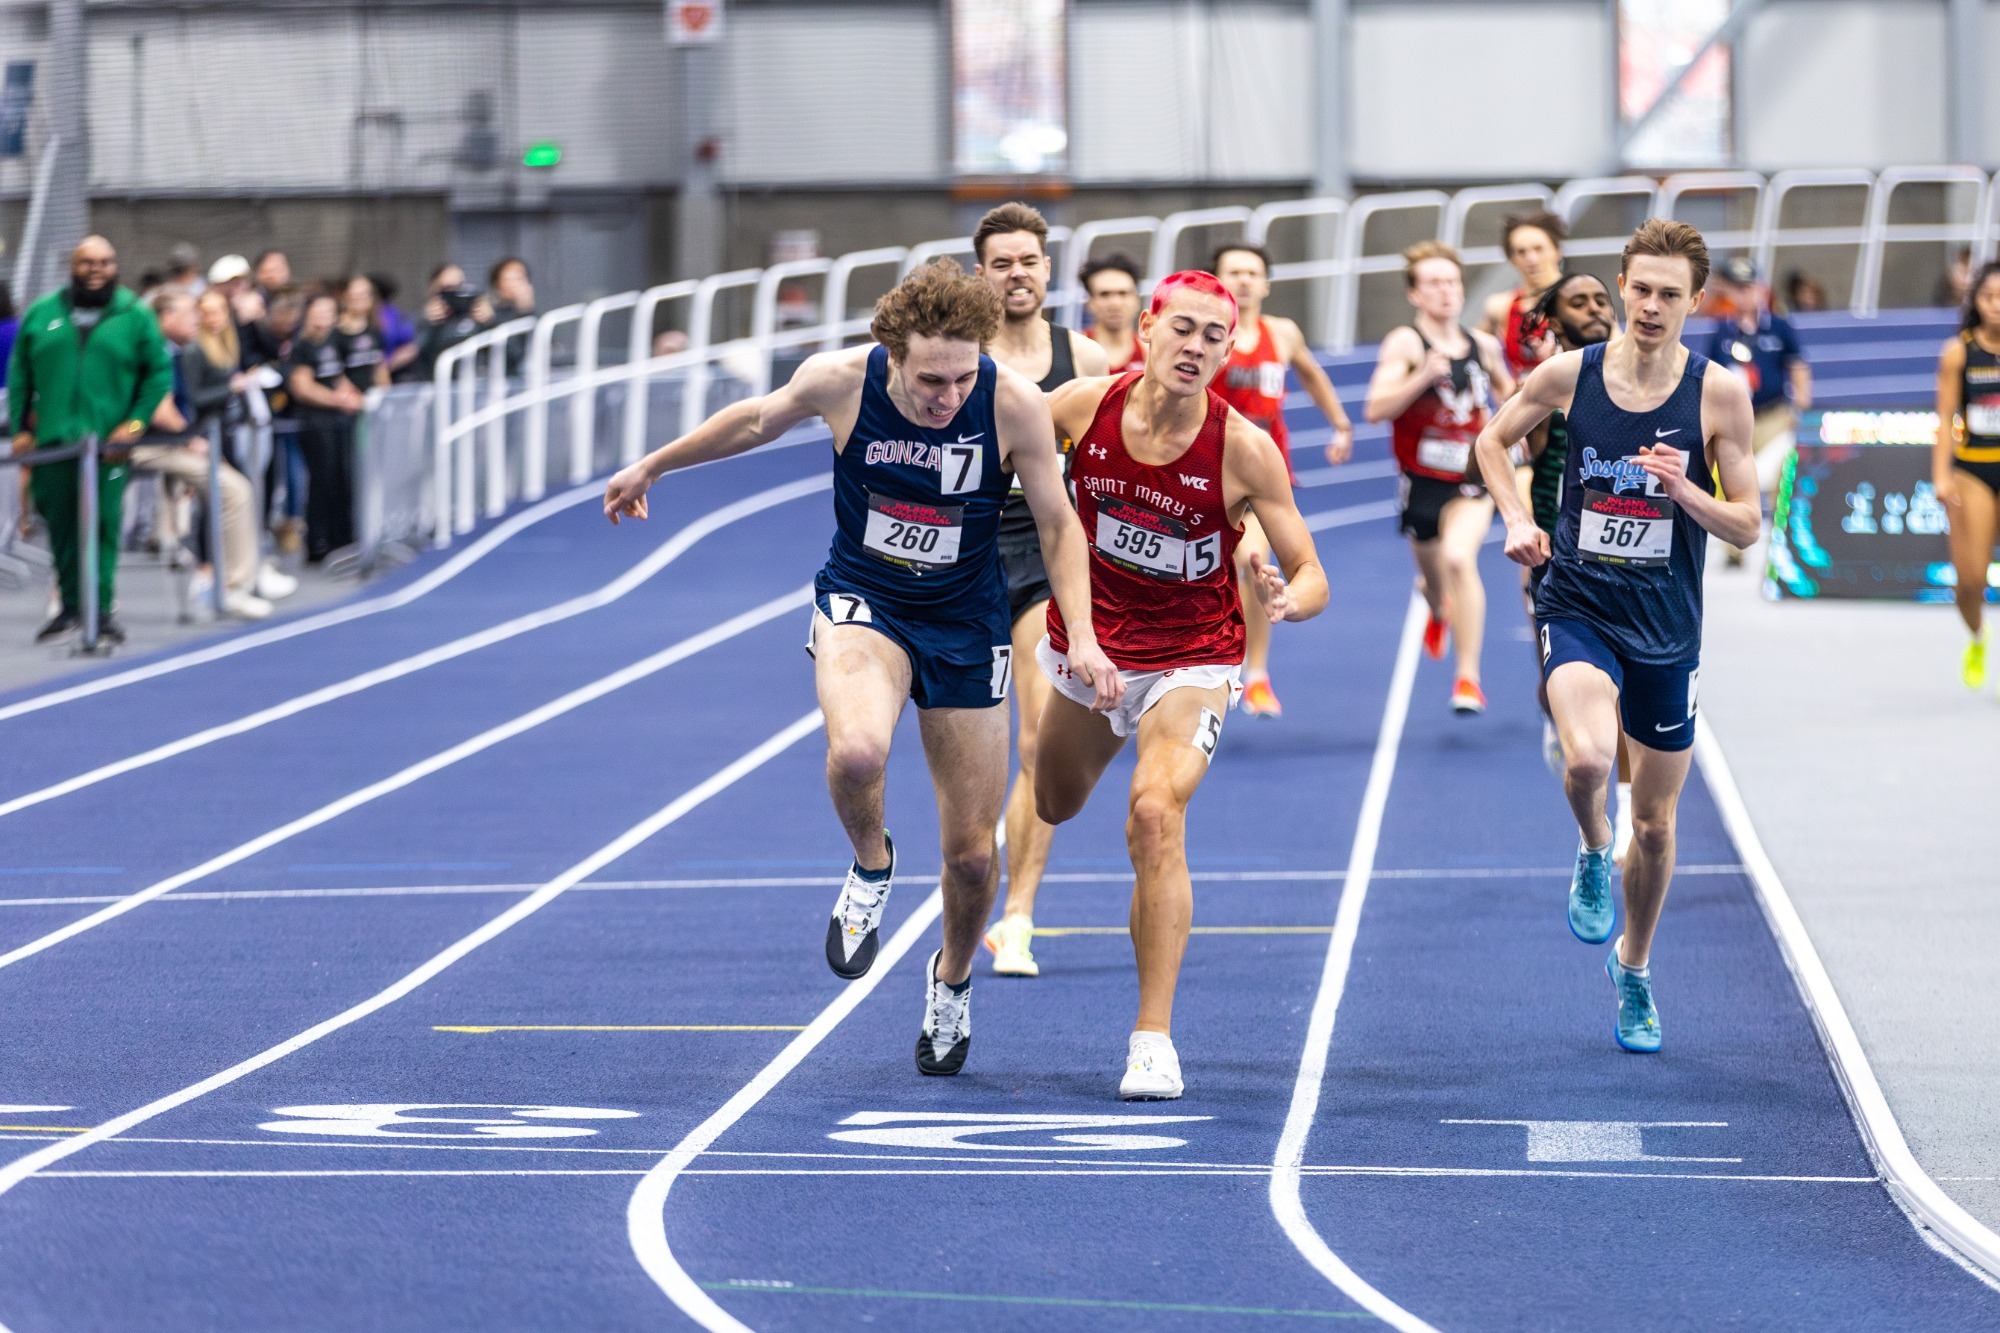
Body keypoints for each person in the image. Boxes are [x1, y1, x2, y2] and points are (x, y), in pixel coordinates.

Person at [603, 260, 1117, 1078]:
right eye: (928, 381)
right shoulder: (841, 380)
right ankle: (872, 863)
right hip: (866, 600)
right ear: (890, 353)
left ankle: (950, 980)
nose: (946, 397)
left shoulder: (1011, 401)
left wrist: (1080, 635)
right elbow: (754, 421)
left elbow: (1058, 525)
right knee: (857, 754)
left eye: (959, 377)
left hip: (965, 620)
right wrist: (656, 464)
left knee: (973, 855)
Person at [1034, 271, 1328, 1099]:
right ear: (1150, 327)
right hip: (1091, 650)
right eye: (1184, 329)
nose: (1196, 348)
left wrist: (1287, 600)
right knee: (1053, 801)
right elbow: (999, 449)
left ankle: (1152, 1037)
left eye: (1215, 337)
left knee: (1155, 814)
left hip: (1193, 657)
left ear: (1230, 349)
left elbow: (1311, 572)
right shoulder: (1082, 407)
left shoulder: (1242, 448)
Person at [1474, 219, 1760, 1054]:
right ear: (1623, 287)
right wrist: (1519, 518)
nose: (1651, 305)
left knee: (1662, 826)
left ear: (1695, 302)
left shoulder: (1718, 395)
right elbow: (1491, 441)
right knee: (1592, 760)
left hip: (1667, 630)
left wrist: (1687, 494)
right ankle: (1594, 847)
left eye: (1671, 294)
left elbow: (1746, 524)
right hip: (1579, 605)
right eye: (1640, 288)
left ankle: (1633, 966)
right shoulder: (1570, 373)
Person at [968, 201, 1109, 980]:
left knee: (1032, 739)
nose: (1016, 274)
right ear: (980, 273)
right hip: (960, 551)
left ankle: (1016, 915)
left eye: (1028, 261)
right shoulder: (960, 357)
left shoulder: (1081, 357)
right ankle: (969, 845)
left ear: (1047, 269)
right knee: (961, 741)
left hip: (1041, 553)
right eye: (1001, 263)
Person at [1510, 270, 1637, 859]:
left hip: (1627, 557)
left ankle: (1632, 812)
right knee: (1565, 683)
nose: (1593, 309)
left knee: (1627, 689)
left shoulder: (1642, 381)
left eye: (1599, 300)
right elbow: (1484, 454)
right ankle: (1557, 713)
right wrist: (1518, 515)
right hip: (1557, 559)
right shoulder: (1545, 384)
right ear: (1555, 322)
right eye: (1577, 303)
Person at [1365, 241, 1513, 715]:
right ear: (1415, 294)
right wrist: (1420, 378)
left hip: (1471, 476)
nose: (1445, 291)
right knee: (1433, 578)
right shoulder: (1406, 343)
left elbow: (1514, 401)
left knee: (1457, 558)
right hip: (1421, 481)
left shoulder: (1483, 345)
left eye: (1451, 281)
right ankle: (1434, 607)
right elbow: (1374, 409)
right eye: (1433, 283)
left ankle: (1467, 678)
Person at [1208, 241, 1355, 717]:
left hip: (1264, 480)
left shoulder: (1283, 333)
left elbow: (1312, 375)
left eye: (1254, 272)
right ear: (1216, 280)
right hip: (1207, 474)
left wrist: (1340, 423)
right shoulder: (1208, 334)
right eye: (1235, 272)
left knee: (1252, 562)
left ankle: (1254, 674)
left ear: (1267, 283)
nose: (1245, 280)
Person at [7, 236, 175, 645]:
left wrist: (134, 425)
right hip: (54, 444)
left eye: (104, 261)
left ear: (115, 266)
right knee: (61, 528)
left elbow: (158, 374)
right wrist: (21, 429)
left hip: (107, 448)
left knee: (103, 527)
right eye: (87, 262)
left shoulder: (134, 314)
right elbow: (19, 374)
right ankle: (69, 608)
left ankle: (101, 611)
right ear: (73, 265)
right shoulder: (42, 313)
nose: (95, 269)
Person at [1702, 256, 1810, 566]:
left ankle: (1781, 546)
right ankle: (1734, 550)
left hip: (1772, 414)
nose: (1744, 295)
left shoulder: (1779, 326)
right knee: (1730, 479)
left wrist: (1800, 404)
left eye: (1749, 287)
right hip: (1734, 419)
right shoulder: (1721, 332)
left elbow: (1798, 365)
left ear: (1761, 289)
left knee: (1781, 478)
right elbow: (1710, 374)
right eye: (1737, 288)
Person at [1933, 260, 2000, 690]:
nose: (1997, 306)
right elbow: (1944, 419)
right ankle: (1977, 635)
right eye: (1989, 297)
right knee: (1971, 579)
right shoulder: (1958, 352)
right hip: (1973, 468)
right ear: (1975, 301)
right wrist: (1941, 476)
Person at [285, 292, 364, 563]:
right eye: (319, 311)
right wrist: (337, 400)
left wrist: (354, 397)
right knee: (322, 480)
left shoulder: (332, 343)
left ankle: (343, 538)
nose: (324, 317)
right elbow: (302, 387)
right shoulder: (303, 346)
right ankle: (318, 541)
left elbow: (338, 377)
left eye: (330, 311)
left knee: (342, 479)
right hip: (316, 422)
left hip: (338, 422)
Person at [1479, 211, 1568, 380]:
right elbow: (1468, 347)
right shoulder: (1500, 307)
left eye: (1538, 249)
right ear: (1512, 259)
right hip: (1526, 400)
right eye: (1521, 252)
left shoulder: (1584, 300)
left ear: (1557, 251)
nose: (1532, 259)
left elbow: (1615, 351)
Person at [1080, 253, 1146, 373]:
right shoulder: (1073, 351)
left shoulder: (1150, 355)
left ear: (1137, 300)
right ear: (1089, 302)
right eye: (1105, 294)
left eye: (1123, 293)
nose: (1115, 303)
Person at [336, 275, 392, 394]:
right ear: (346, 297)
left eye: (366, 294)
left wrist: (387, 395)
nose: (362, 298)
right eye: (358, 294)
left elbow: (379, 368)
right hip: (347, 401)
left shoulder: (374, 328)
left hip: (372, 397)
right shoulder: (336, 331)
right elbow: (334, 373)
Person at [488, 256, 536, 376]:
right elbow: (511, 356)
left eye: (520, 278)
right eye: (509, 279)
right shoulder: (490, 316)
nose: (516, 284)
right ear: (497, 284)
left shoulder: (536, 317)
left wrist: (526, 312)